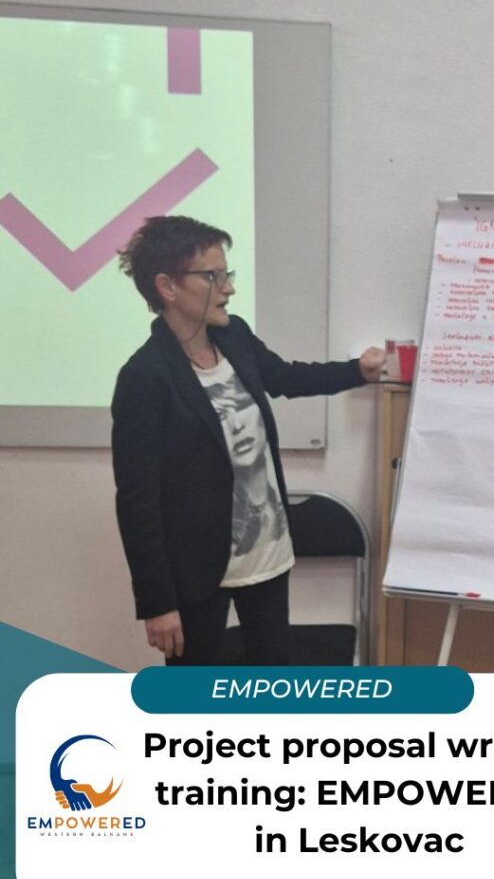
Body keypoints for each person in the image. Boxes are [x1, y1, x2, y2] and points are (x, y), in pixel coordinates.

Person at [111, 215, 385, 665]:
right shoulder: (144, 377)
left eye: (228, 274)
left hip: (268, 555)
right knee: (195, 698)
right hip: (199, 572)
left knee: (269, 690)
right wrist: (157, 602)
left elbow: (285, 377)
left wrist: (357, 371)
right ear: (167, 287)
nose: (229, 288)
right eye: (212, 277)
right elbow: (138, 501)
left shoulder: (233, 336)